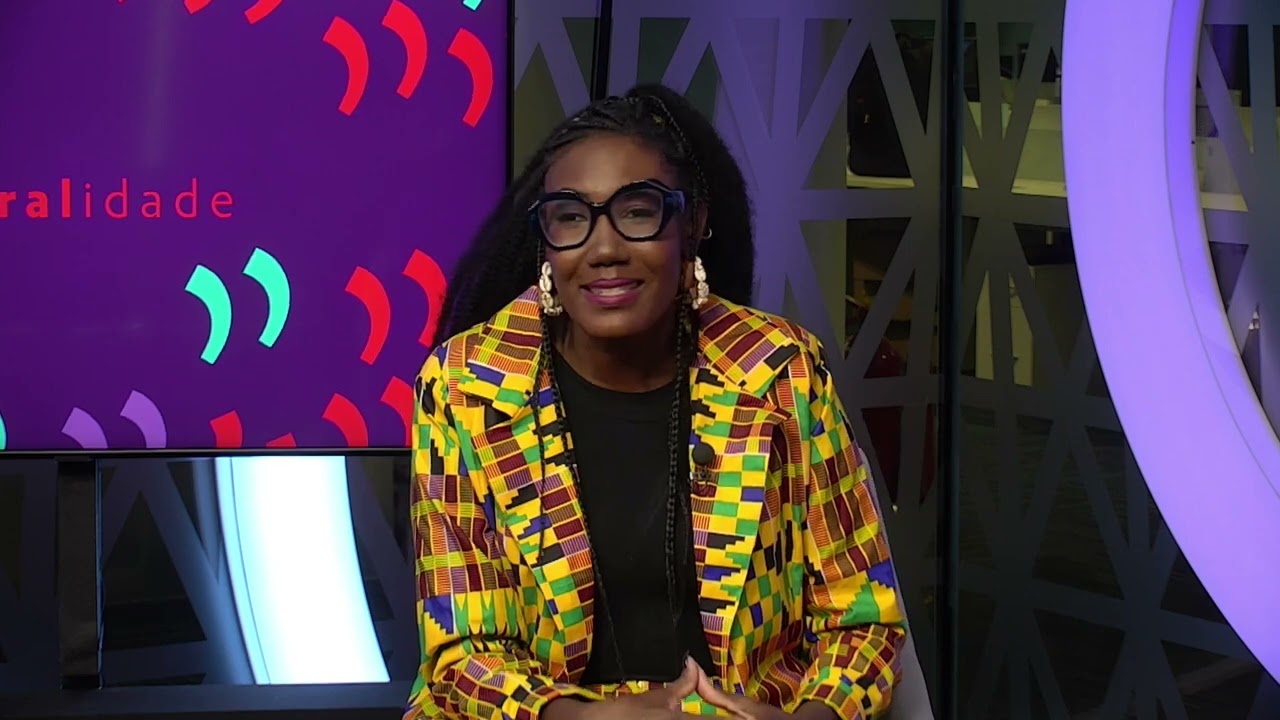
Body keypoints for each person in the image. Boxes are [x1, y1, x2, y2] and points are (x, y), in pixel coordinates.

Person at [405, 83, 906, 720]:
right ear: (546, 241)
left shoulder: (781, 370)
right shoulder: (465, 385)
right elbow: (462, 649)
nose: (604, 249)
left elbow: (862, 617)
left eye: (637, 211)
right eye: (570, 217)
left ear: (692, 224)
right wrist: (583, 718)